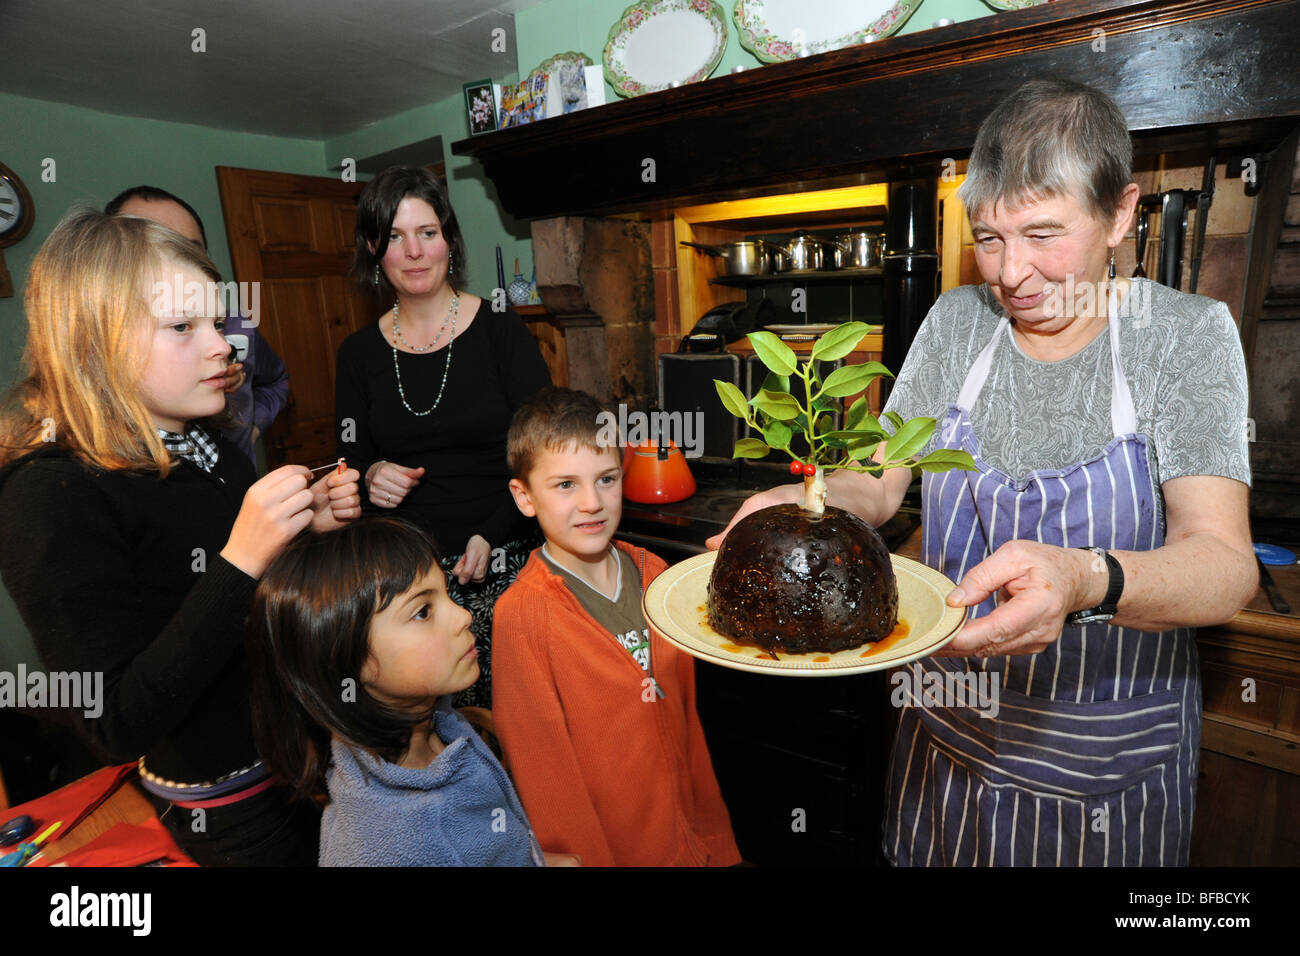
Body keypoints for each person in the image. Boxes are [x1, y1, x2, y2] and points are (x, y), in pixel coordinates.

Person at [709, 79, 1257, 866]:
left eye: (1042, 234)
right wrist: (804, 502)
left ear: (1122, 213)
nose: (1012, 273)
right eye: (989, 238)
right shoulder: (957, 322)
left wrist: (1083, 578)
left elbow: (1226, 566)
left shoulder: (1182, 337)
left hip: (1107, 765)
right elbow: (880, 481)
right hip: (946, 736)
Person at [0, 211, 362, 865]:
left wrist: (305, 530)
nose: (225, 345)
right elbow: (115, 723)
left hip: (306, 756)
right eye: (182, 327)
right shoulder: (48, 494)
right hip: (236, 810)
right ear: (95, 343)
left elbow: (230, 596)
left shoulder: (202, 435)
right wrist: (245, 556)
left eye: (216, 321)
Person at [492, 387, 741, 866]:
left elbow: (690, 725)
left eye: (606, 479)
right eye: (565, 485)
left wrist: (716, 842)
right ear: (524, 497)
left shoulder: (658, 579)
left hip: (689, 843)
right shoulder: (523, 614)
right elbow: (544, 773)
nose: (592, 502)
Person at [335, 165, 552, 708]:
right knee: (429, 729)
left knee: (519, 717)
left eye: (427, 234)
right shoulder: (358, 355)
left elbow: (542, 454)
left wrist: (491, 534)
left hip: (506, 552)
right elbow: (349, 465)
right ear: (373, 248)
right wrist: (370, 477)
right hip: (406, 579)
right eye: (395, 237)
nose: (413, 252)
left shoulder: (502, 331)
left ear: (448, 242)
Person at [244, 517, 578, 866]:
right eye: (422, 612)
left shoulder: (433, 725)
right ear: (344, 661)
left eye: (446, 594)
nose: (463, 616)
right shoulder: (389, 848)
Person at [106, 185, 290, 468]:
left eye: (190, 251)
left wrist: (249, 427)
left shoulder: (239, 327)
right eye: (180, 327)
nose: (221, 346)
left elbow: (276, 381)